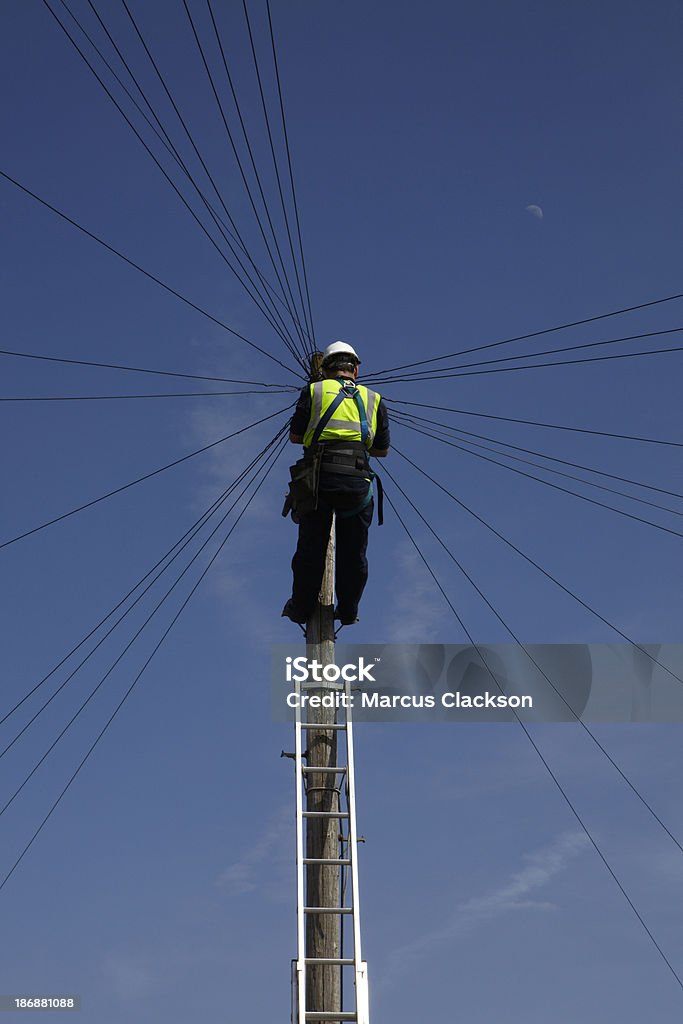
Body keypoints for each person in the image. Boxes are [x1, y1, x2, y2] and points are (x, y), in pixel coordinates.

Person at [282, 341, 390, 627]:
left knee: (310, 548)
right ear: (355, 369)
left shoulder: (314, 391)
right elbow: (382, 450)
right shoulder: (373, 399)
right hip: (357, 483)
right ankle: (349, 609)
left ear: (325, 368)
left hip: (318, 480)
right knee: (354, 552)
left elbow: (295, 436)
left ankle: (301, 607)